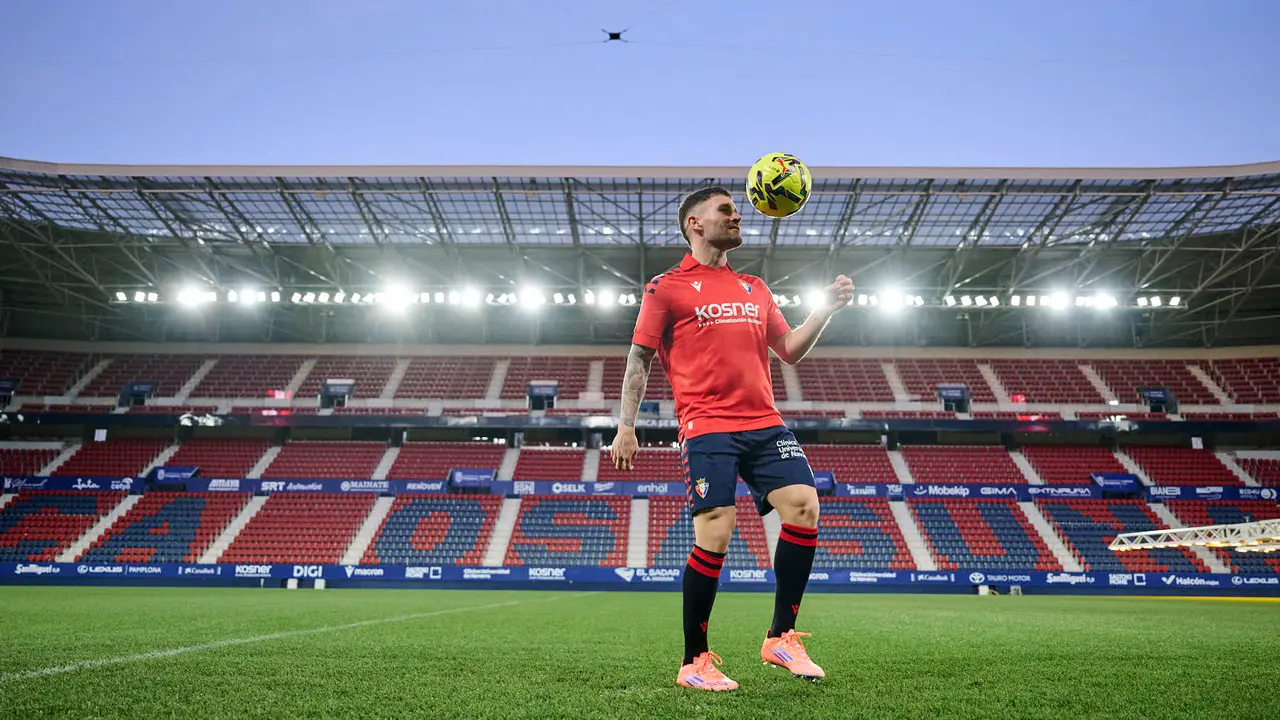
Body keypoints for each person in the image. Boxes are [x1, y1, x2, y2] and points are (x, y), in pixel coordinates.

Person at [608, 186, 854, 691]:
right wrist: (626, 426)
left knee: (804, 504)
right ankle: (693, 661)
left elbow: (787, 350)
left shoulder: (755, 287)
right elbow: (640, 359)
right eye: (726, 211)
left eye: (737, 211)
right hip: (707, 425)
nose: (737, 217)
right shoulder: (666, 287)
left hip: (764, 423)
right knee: (716, 531)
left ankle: (781, 637)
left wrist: (824, 309)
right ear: (695, 224)